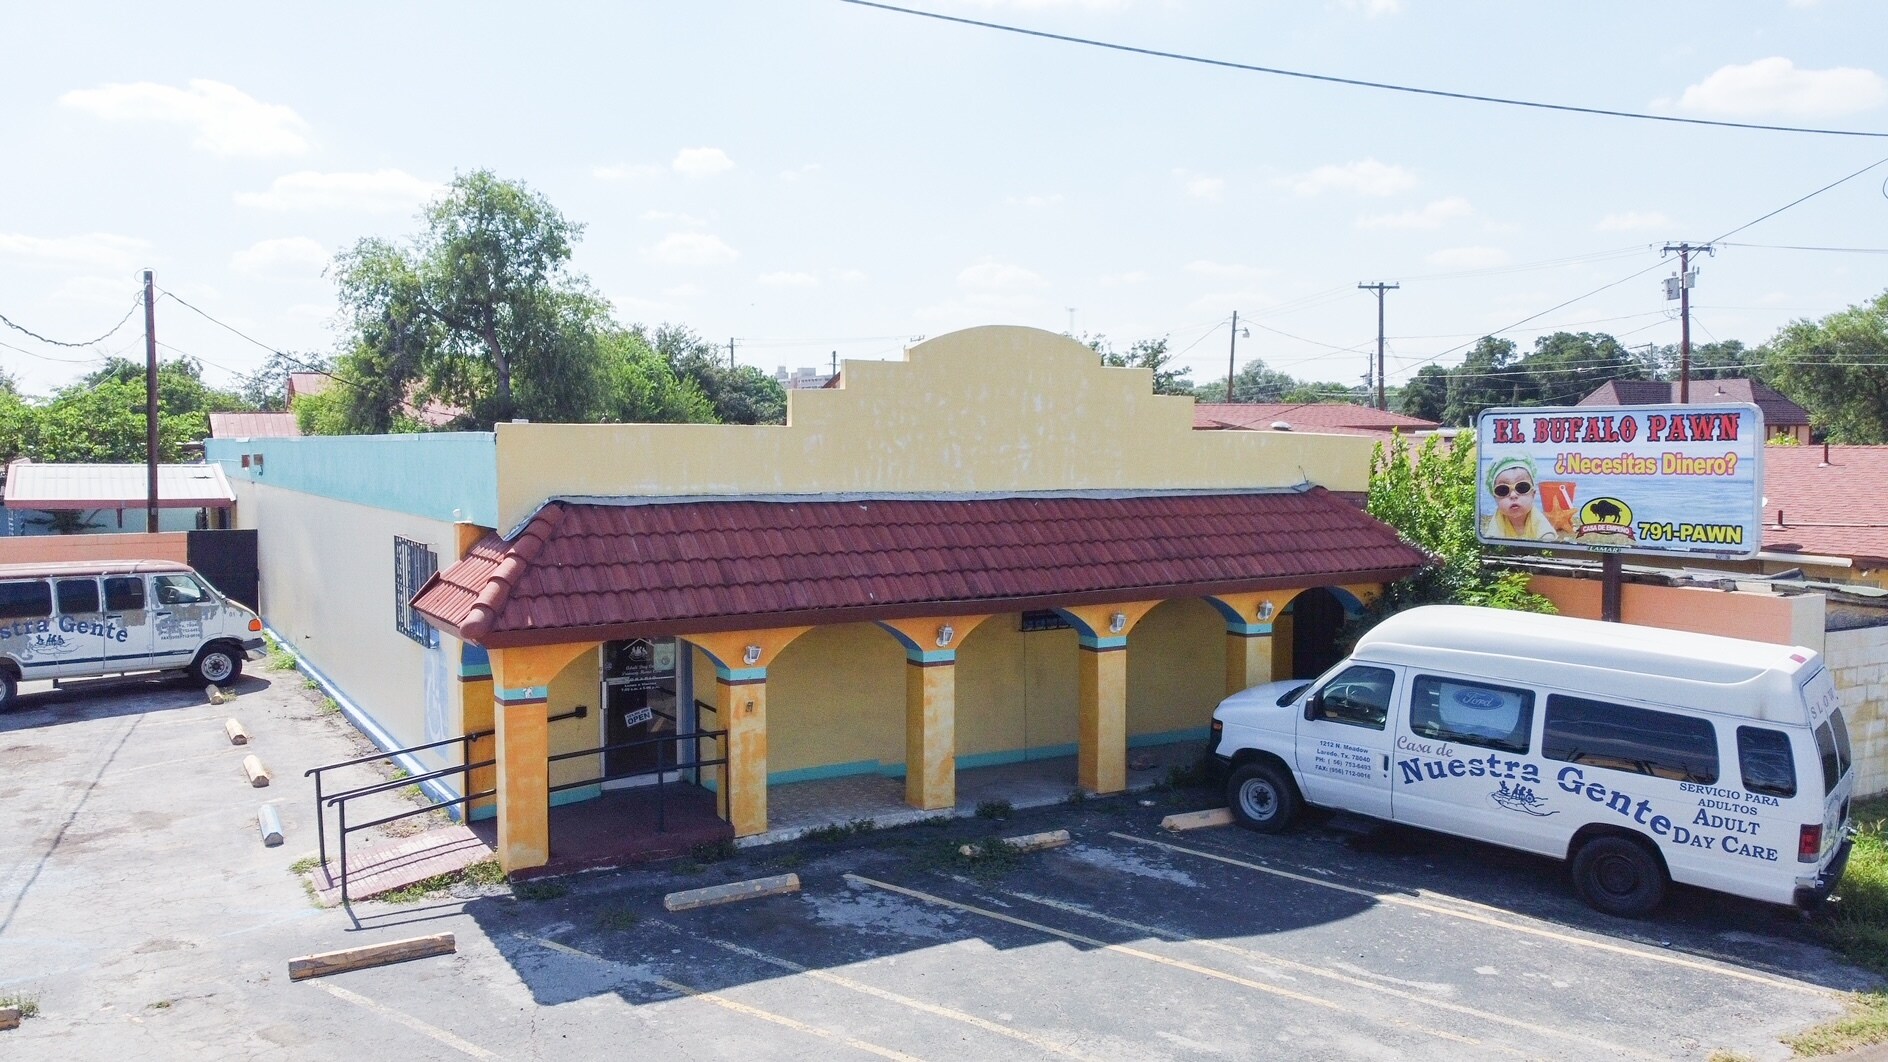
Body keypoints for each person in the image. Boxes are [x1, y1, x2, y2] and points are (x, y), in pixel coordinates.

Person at [1480, 455, 1559, 542]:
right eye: (1503, 490)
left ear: (1533, 494)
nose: (1513, 495)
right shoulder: (1497, 524)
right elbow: (1491, 541)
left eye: (1522, 487)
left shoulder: (1538, 520)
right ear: (1495, 498)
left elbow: (1548, 536)